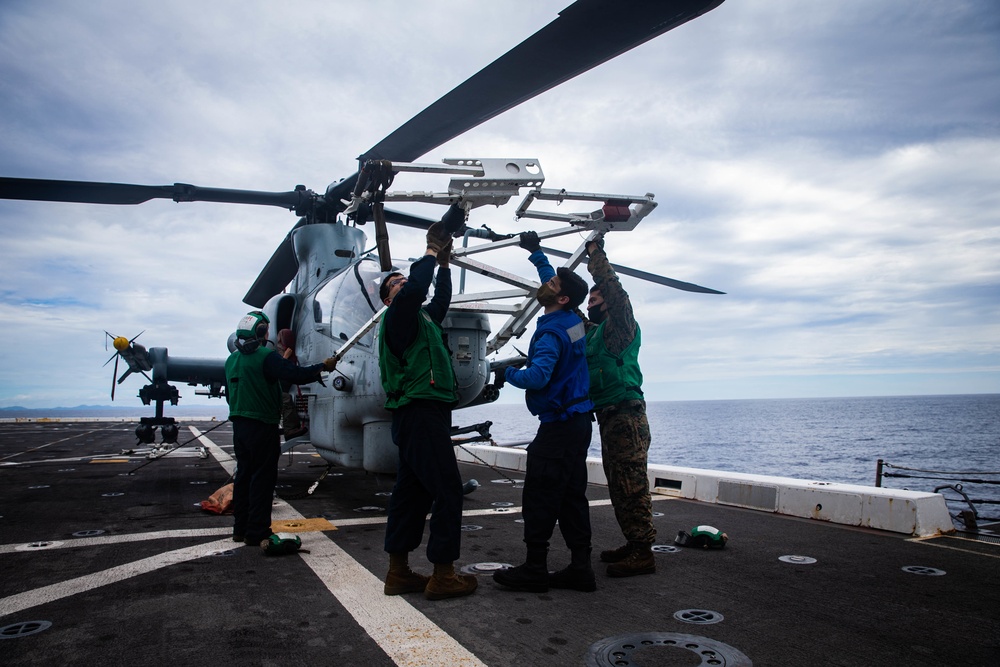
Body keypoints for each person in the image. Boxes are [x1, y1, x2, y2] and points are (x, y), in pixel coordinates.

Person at [377, 218, 477, 601]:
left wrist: (446, 264)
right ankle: (444, 574)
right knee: (448, 490)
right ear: (389, 299)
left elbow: (440, 300)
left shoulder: (423, 321)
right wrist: (431, 249)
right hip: (419, 412)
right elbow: (419, 288)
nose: (402, 284)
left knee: (411, 494)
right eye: (395, 284)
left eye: (403, 280)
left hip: (420, 414)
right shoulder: (398, 317)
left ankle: (398, 572)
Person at [493, 231, 596, 593]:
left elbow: (537, 378)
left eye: (552, 283)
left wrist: (508, 373)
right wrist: (536, 253)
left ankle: (535, 568)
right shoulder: (570, 318)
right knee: (571, 496)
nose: (546, 283)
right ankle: (580, 568)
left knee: (539, 494)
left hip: (558, 425)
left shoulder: (552, 332)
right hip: (579, 422)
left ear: (562, 297)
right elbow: (550, 282)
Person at [225, 311, 336, 549]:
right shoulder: (266, 356)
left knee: (243, 477)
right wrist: (322, 366)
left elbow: (230, 394)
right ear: (261, 332)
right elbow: (294, 374)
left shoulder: (231, 360)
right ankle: (256, 532)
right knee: (262, 480)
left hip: (240, 428)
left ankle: (240, 529)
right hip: (262, 426)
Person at [584, 238, 656, 577]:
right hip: (609, 418)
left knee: (631, 483)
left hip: (626, 416)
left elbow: (615, 292)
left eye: (594, 299)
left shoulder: (620, 329)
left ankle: (643, 551)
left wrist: (596, 257)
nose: (590, 304)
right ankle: (633, 541)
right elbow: (564, 313)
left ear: (608, 305)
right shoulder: (594, 334)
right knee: (618, 483)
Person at [276, 328, 307, 440]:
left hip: (281, 387)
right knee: (286, 401)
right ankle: (289, 430)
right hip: (276, 388)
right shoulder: (278, 354)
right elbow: (278, 370)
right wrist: (285, 358)